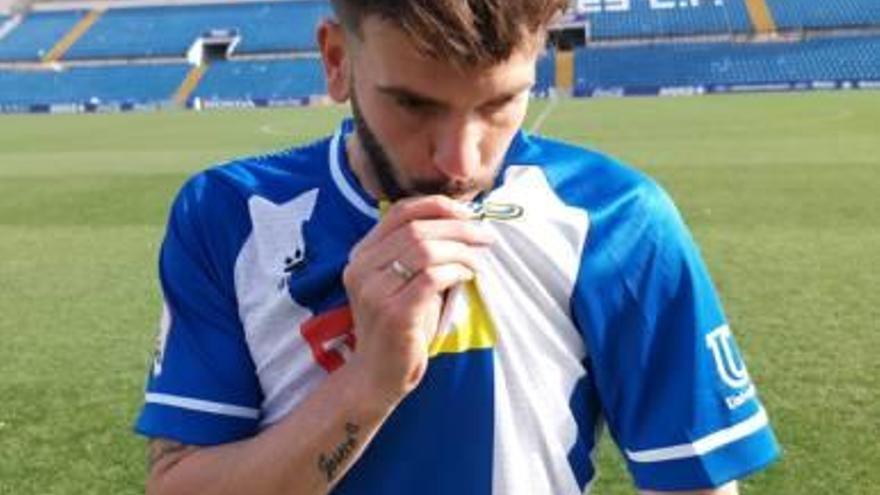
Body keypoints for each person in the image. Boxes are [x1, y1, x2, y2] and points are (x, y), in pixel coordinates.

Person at [135, 1, 780, 493]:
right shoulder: (231, 215)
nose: (459, 162)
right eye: (413, 105)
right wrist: (370, 383)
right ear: (337, 62)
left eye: (501, 102)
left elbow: (696, 481)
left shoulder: (615, 217)